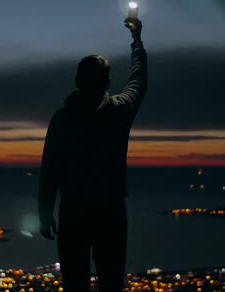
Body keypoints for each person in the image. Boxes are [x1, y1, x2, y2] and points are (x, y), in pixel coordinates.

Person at [38, 16, 147, 292]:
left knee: (75, 283)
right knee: (111, 281)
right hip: (111, 211)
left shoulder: (62, 118)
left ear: (77, 80)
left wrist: (45, 211)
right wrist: (136, 41)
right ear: (109, 83)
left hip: (73, 211)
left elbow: (50, 167)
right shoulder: (119, 111)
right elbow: (138, 80)